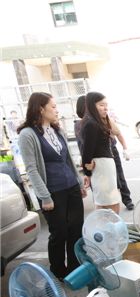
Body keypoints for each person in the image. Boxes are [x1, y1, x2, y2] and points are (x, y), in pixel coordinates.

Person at [17, 92, 87, 280]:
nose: (57, 110)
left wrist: (79, 182)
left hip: (71, 186)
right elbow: (31, 169)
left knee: (76, 229)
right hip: (52, 191)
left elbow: (69, 160)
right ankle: (57, 269)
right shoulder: (27, 134)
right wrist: (44, 196)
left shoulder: (58, 130)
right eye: (53, 107)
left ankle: (74, 266)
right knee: (59, 232)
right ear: (41, 109)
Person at [81, 92, 120, 213]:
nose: (105, 107)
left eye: (106, 105)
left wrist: (106, 116)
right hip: (101, 167)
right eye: (101, 105)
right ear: (92, 105)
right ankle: (109, 230)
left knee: (108, 204)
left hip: (105, 166)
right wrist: (87, 172)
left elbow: (116, 131)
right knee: (109, 205)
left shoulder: (98, 121)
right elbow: (87, 151)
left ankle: (108, 230)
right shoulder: (91, 123)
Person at [108, 112, 135, 210]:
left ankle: (127, 200)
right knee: (108, 180)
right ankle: (109, 204)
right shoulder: (87, 123)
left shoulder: (106, 119)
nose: (104, 108)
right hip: (100, 156)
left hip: (112, 150)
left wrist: (125, 149)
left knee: (120, 175)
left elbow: (118, 133)